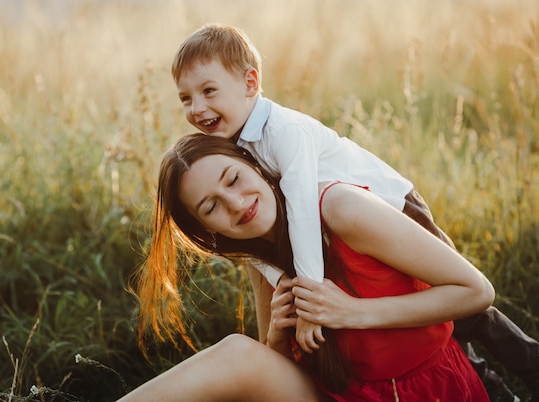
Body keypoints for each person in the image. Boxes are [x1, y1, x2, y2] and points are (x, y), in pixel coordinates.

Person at [171, 23, 539, 401]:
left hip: (392, 203)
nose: (197, 108)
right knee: (450, 319)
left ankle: (526, 365)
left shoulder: (282, 131)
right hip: (348, 220)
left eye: (208, 91)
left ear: (251, 84)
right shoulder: (240, 147)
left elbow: (299, 206)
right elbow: (270, 239)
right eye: (185, 99)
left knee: (460, 310)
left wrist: (312, 298)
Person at [118, 133, 494, 401]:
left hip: (427, 389)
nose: (234, 203)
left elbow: (476, 291)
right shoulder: (259, 256)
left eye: (233, 179)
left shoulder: (339, 209)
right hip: (340, 393)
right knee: (238, 354)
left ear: (258, 167)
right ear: (207, 231)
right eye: (211, 207)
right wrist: (277, 339)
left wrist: (354, 313)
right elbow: (272, 373)